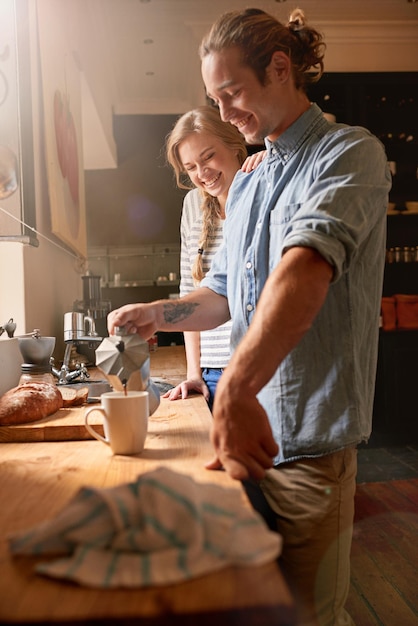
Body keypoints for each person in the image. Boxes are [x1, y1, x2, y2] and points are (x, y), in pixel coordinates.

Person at [108, 7, 391, 625]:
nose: (226, 111)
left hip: (309, 445)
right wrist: (159, 313)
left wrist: (234, 385)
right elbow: (225, 293)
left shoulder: (349, 154)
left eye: (231, 94)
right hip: (243, 443)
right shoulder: (251, 184)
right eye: (215, 98)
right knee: (256, 611)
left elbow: (304, 268)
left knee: (313, 616)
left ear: (281, 69)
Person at [164, 106, 260, 409]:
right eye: (191, 166)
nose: (202, 173)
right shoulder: (192, 203)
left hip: (260, 371)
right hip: (211, 373)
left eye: (208, 156)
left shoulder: (262, 186)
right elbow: (188, 293)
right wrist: (194, 372)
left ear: (235, 146)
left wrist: (274, 161)